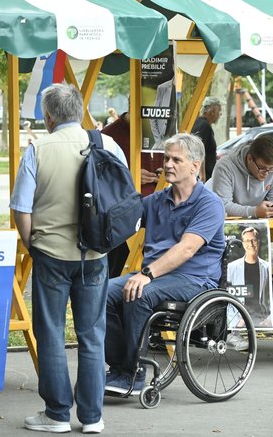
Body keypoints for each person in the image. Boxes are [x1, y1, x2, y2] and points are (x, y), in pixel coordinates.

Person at [10, 84, 125, 434]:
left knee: (51, 333)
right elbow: (123, 197)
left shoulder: (37, 149)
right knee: (92, 335)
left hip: (51, 253)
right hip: (94, 253)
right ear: (79, 111)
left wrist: (33, 244)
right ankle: (92, 417)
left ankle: (57, 414)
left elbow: (21, 208)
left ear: (48, 116)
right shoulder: (106, 144)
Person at [105, 133, 225, 397]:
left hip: (194, 280)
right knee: (101, 293)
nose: (167, 164)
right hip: (157, 276)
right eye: (166, 158)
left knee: (139, 292)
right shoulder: (158, 200)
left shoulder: (209, 204)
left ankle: (134, 373)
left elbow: (187, 249)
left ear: (195, 165)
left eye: (176, 159)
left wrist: (146, 274)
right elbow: (123, 219)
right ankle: (119, 368)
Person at [101, 110, 165, 278]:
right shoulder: (108, 136)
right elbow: (101, 177)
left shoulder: (162, 131)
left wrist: (166, 173)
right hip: (123, 213)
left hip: (159, 211)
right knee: (119, 268)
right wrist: (131, 175)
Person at [205, 135, 273, 218]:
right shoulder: (225, 167)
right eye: (262, 168)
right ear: (249, 159)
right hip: (224, 220)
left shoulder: (270, 171)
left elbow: (271, 200)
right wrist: (254, 211)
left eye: (271, 169)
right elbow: (223, 205)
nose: (266, 173)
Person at [226, 227, 272, 328]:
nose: (250, 244)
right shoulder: (231, 268)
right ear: (242, 244)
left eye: (254, 240)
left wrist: (270, 320)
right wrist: (235, 323)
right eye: (247, 241)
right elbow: (226, 297)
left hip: (262, 321)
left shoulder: (267, 267)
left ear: (258, 242)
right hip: (239, 321)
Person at [191, 96, 222, 181]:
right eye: (219, 111)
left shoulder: (199, 123)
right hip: (202, 177)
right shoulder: (204, 126)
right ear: (212, 111)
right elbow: (198, 150)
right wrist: (202, 176)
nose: (219, 115)